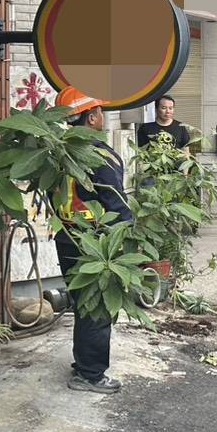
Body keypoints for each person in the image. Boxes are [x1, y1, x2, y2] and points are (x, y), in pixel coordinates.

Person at [51, 86, 132, 394]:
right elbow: (117, 206)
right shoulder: (101, 156)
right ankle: (90, 374)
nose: (102, 116)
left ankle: (84, 363)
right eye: (100, 111)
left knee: (83, 304)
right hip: (95, 242)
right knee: (96, 308)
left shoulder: (58, 152)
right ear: (92, 117)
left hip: (67, 236)